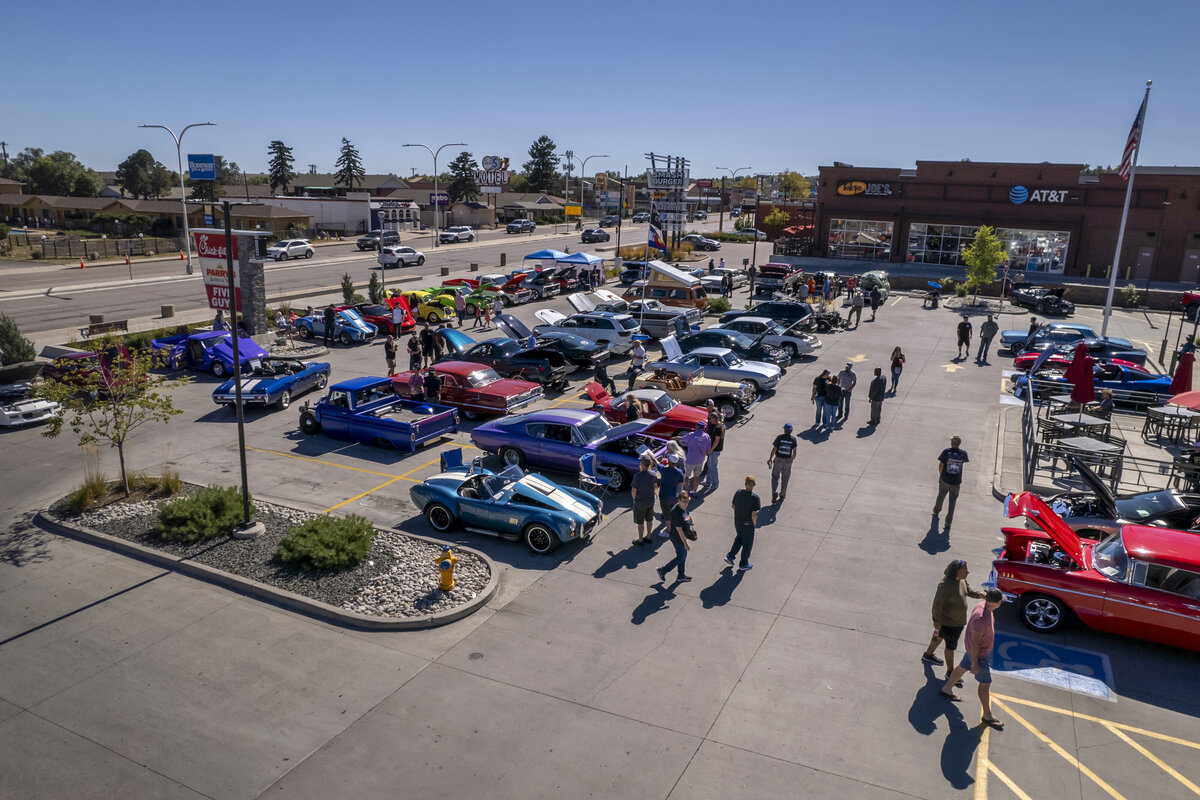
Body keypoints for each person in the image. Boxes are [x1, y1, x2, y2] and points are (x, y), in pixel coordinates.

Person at [941, 589, 1006, 731]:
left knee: (962, 668)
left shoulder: (982, 606)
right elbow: (975, 642)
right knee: (985, 683)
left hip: (973, 652)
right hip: (978, 656)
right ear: (998, 603)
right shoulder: (982, 620)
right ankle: (987, 715)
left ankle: (947, 688)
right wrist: (975, 664)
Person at [922, 559, 986, 686]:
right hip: (949, 623)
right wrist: (936, 621)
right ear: (957, 571)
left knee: (939, 637)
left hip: (957, 621)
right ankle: (950, 672)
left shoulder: (961, 580)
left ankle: (928, 655)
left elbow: (967, 590)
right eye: (965, 570)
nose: (968, 571)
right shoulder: (945, 586)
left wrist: (979, 594)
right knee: (950, 647)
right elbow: (937, 605)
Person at [656, 491, 695, 584]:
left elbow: (686, 514)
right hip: (678, 538)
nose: (685, 504)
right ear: (679, 500)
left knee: (683, 556)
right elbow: (679, 530)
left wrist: (690, 521)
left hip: (679, 537)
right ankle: (663, 570)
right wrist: (686, 544)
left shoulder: (681, 507)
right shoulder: (676, 512)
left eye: (687, 502)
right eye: (683, 502)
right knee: (681, 557)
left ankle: (681, 575)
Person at [932, 436, 969, 531]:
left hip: (945, 480)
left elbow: (941, 465)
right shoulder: (963, 454)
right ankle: (948, 523)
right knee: (952, 503)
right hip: (956, 483)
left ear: (952, 443)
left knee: (941, 497)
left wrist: (941, 475)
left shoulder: (946, 452)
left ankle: (936, 512)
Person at [725, 475, 760, 571]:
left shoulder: (738, 492)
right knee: (747, 544)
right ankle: (743, 563)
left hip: (737, 521)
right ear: (754, 485)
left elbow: (733, 505)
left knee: (739, 539)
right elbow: (754, 514)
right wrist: (754, 524)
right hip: (748, 524)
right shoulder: (755, 498)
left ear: (745, 484)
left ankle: (730, 556)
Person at [630, 456, 659, 545]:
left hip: (640, 502)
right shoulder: (653, 474)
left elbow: (634, 490)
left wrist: (634, 499)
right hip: (650, 501)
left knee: (640, 522)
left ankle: (640, 540)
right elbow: (655, 486)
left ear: (642, 464)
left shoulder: (637, 476)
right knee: (649, 520)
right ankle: (649, 536)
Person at [767, 422, 798, 504]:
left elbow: (774, 449)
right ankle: (782, 495)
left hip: (778, 459)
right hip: (787, 460)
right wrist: (791, 460)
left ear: (784, 430)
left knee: (775, 477)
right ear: (791, 431)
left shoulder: (779, 437)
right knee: (785, 478)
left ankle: (774, 492)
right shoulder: (793, 439)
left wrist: (770, 458)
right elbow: (794, 453)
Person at [680, 421, 711, 494]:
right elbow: (708, 449)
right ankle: (694, 491)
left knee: (687, 477)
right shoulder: (707, 436)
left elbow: (682, 439)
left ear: (697, 427)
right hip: (700, 460)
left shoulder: (691, 435)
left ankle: (687, 491)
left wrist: (674, 438)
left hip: (690, 460)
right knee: (696, 477)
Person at [657, 454, 685, 531]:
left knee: (667, 517)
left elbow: (657, 463)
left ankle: (668, 531)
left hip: (664, 497)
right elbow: (681, 483)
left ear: (669, 461)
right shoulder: (679, 472)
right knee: (674, 514)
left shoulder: (664, 470)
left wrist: (651, 455)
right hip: (675, 497)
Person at [705, 410, 725, 490]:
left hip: (714, 450)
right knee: (710, 466)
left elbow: (717, 440)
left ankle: (715, 483)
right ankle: (708, 482)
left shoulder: (718, 428)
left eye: (710, 419)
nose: (710, 421)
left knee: (713, 467)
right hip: (715, 450)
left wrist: (710, 450)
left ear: (714, 418)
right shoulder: (721, 425)